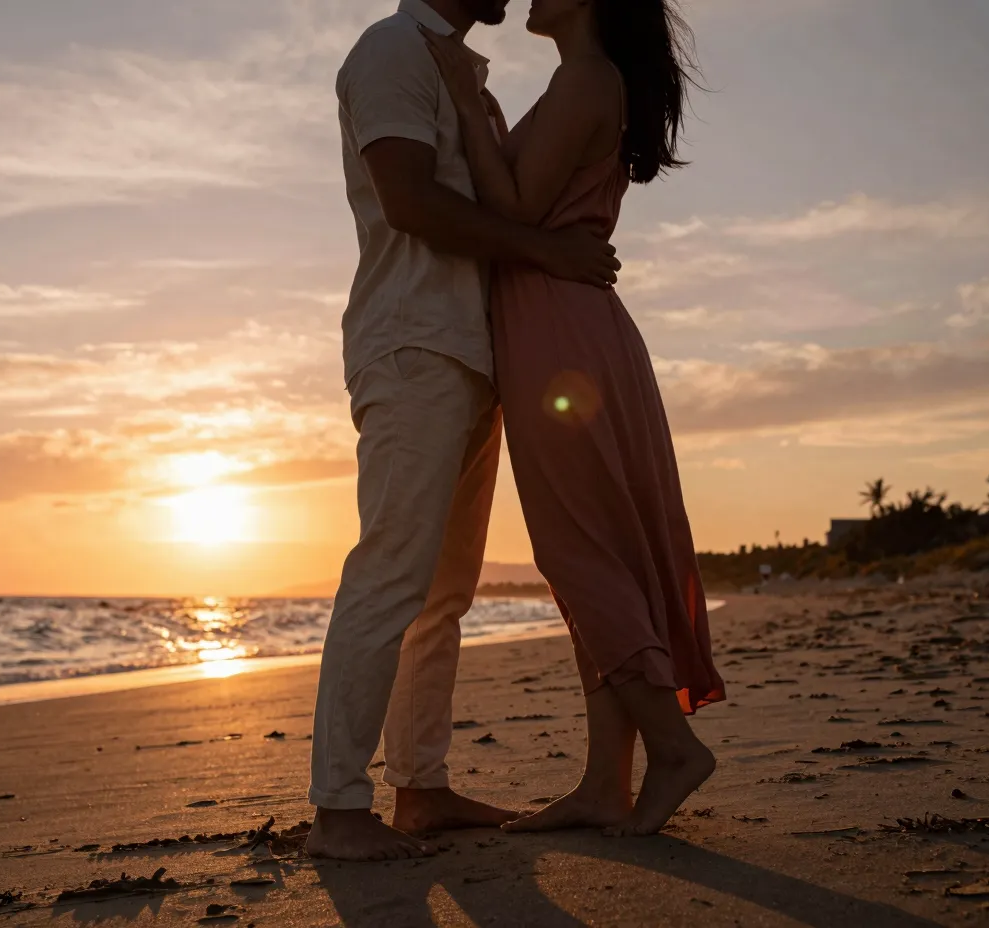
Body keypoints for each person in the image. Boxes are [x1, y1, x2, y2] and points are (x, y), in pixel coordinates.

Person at [306, 0, 622, 862]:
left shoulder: (457, 70)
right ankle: (338, 809)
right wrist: (543, 252)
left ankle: (421, 788)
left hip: (470, 353)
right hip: (413, 345)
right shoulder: (391, 49)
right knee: (391, 572)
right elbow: (408, 200)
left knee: (444, 591)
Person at [422, 0, 726, 837]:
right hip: (565, 323)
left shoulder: (587, 80)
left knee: (576, 549)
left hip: (557, 329)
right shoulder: (587, 81)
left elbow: (517, 210)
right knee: (596, 548)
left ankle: (672, 747)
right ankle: (602, 784)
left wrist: (466, 101)